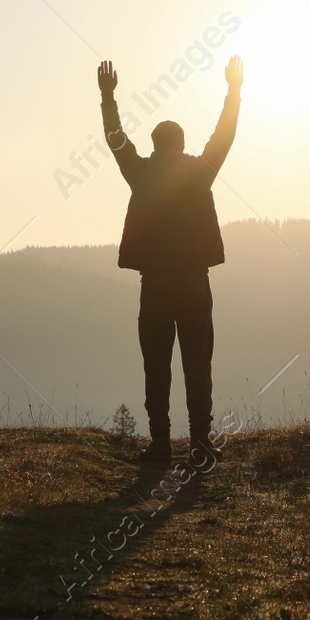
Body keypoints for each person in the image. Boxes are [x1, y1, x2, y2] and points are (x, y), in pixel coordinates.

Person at [98, 57, 242, 464]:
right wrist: (233, 89)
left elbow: (115, 138)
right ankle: (200, 440)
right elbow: (224, 134)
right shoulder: (200, 171)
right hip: (195, 282)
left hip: (156, 284)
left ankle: (160, 443)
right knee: (198, 362)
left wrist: (108, 95)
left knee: (156, 364)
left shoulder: (141, 172)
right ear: (181, 144)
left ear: (155, 144)